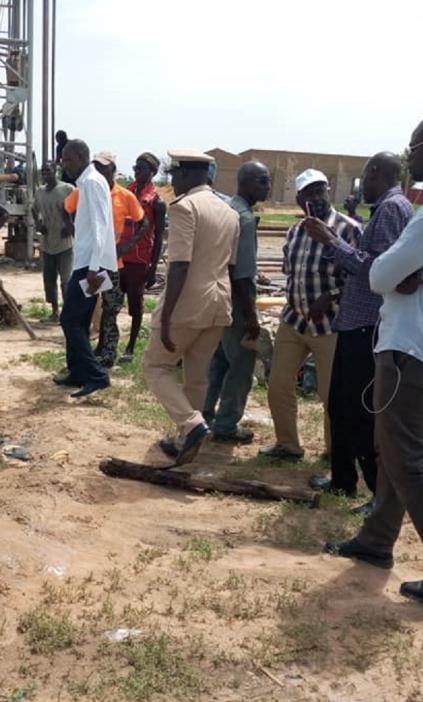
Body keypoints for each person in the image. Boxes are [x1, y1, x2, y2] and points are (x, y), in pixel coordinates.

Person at [326, 112, 423, 605]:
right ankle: (376, 541)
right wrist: (396, 269)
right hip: (416, 342)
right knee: (393, 449)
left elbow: (378, 274)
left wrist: (393, 269)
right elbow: (394, 270)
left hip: (416, 347)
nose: (408, 156)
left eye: (414, 146)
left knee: (407, 457)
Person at [303, 153, 413, 512]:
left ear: (375, 174)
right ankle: (342, 480)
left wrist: (331, 241)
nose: (360, 185)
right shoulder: (387, 207)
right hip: (354, 322)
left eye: (363, 177)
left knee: (359, 411)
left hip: (368, 324)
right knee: (339, 404)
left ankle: (378, 493)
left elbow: (378, 271)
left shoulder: (391, 209)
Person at [143, 150, 239, 465]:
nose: (172, 182)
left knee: (156, 366)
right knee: (197, 377)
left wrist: (167, 315)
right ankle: (187, 440)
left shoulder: (185, 208)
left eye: (174, 175)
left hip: (188, 303)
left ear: (186, 175)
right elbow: (230, 265)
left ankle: (191, 425)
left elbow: (180, 266)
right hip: (218, 304)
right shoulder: (230, 212)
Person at [260, 169, 361, 460]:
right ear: (299, 199)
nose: (316, 198)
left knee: (331, 394)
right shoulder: (294, 232)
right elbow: (290, 273)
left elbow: (361, 277)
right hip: (294, 321)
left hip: (330, 323)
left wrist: (330, 297)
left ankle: (335, 452)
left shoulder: (347, 229)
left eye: (320, 191)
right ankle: (288, 445)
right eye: (309, 193)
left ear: (329, 192)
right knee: (279, 385)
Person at [201, 161, 271, 443]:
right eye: (263, 181)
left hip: (218, 300)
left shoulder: (227, 209)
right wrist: (251, 318)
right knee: (241, 366)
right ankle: (227, 425)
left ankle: (204, 414)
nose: (267, 187)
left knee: (218, 362)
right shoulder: (242, 218)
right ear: (246, 183)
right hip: (236, 304)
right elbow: (241, 276)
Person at [64, 152, 147, 367]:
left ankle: (108, 353)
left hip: (111, 266)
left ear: (113, 170)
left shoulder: (125, 196)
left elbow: (143, 222)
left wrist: (127, 246)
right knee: (88, 308)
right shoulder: (86, 188)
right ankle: (93, 353)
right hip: (92, 263)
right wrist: (77, 233)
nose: (101, 171)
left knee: (110, 310)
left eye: (105, 167)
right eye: (97, 166)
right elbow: (67, 208)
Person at [54, 139, 116, 397]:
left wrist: (92, 267)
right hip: (91, 263)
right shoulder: (88, 182)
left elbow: (101, 225)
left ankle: (96, 375)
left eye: (67, 159)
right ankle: (77, 372)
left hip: (93, 266)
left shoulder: (92, 182)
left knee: (69, 319)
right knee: (78, 319)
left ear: (81, 156)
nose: (64, 164)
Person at [120, 152, 167, 363]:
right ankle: (108, 342)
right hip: (119, 256)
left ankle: (130, 346)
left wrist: (153, 268)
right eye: (135, 168)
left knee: (135, 305)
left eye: (141, 169)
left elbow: (158, 239)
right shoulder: (125, 193)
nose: (137, 172)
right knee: (112, 301)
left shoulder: (157, 202)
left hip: (140, 260)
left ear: (153, 172)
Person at [32, 161, 74, 321]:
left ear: (55, 171)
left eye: (48, 171)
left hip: (65, 243)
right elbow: (33, 209)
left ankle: (68, 312)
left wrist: (70, 226)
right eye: (43, 172)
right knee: (49, 279)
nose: (46, 174)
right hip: (48, 242)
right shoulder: (40, 192)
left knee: (66, 280)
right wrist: (38, 224)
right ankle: (55, 312)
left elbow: (78, 208)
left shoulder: (67, 189)